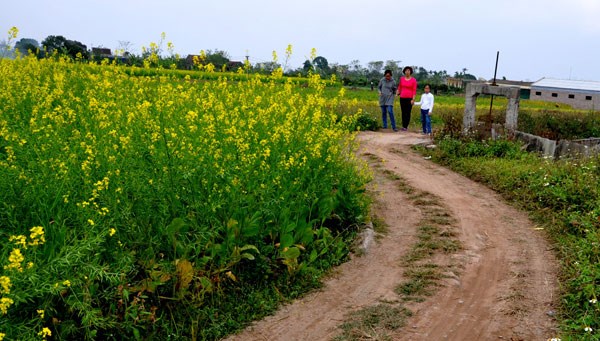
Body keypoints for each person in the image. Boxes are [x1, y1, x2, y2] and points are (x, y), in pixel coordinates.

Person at [396, 66, 418, 131]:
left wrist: (413, 99)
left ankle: (406, 126)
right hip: (402, 97)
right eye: (406, 70)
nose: (407, 72)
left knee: (408, 112)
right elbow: (399, 87)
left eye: (408, 70)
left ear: (410, 72)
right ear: (404, 72)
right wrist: (397, 93)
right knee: (403, 112)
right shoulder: (401, 79)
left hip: (409, 98)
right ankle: (403, 125)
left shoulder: (413, 80)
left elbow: (414, 90)